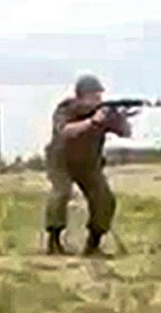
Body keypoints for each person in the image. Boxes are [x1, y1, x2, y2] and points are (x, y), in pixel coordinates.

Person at [43, 74, 130, 256]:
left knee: (104, 199)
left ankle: (93, 244)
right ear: (81, 96)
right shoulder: (66, 108)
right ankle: (54, 242)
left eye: (99, 96)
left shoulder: (103, 112)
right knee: (61, 193)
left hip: (89, 163)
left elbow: (125, 133)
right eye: (94, 96)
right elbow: (65, 132)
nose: (98, 100)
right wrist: (92, 122)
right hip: (61, 161)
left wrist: (119, 118)